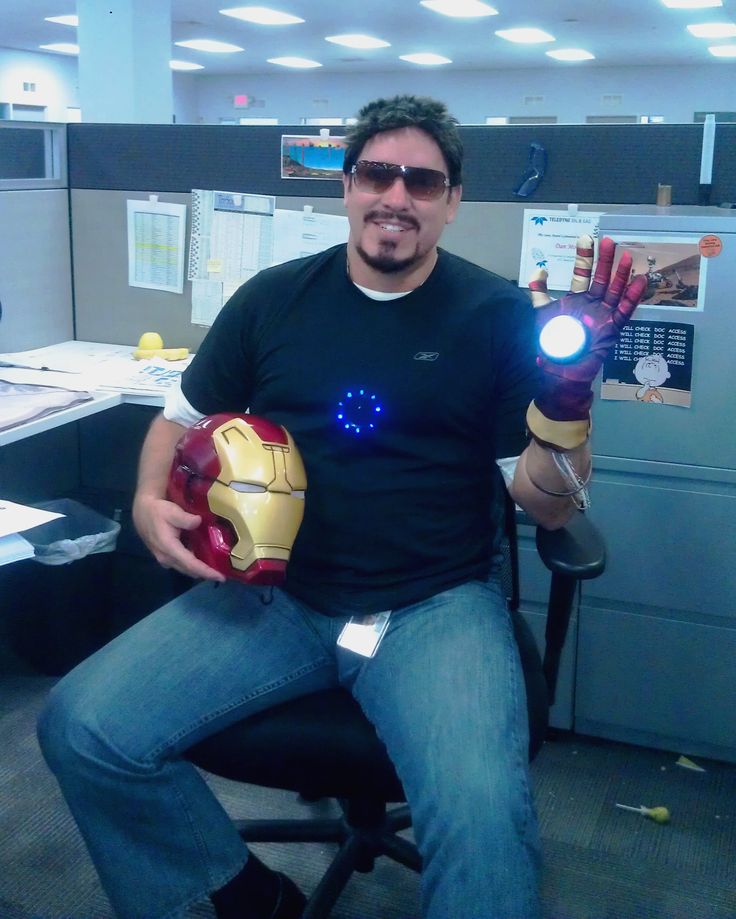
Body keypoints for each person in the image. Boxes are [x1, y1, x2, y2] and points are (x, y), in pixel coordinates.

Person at [37, 95, 645, 919]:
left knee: (483, 816)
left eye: (422, 181)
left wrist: (568, 401)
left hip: (435, 606)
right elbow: (177, 418)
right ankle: (239, 894)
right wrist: (146, 500)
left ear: (452, 200)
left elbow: (548, 505)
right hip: (277, 597)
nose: (396, 196)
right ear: (349, 186)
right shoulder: (273, 298)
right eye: (377, 174)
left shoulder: (497, 315)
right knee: (80, 726)